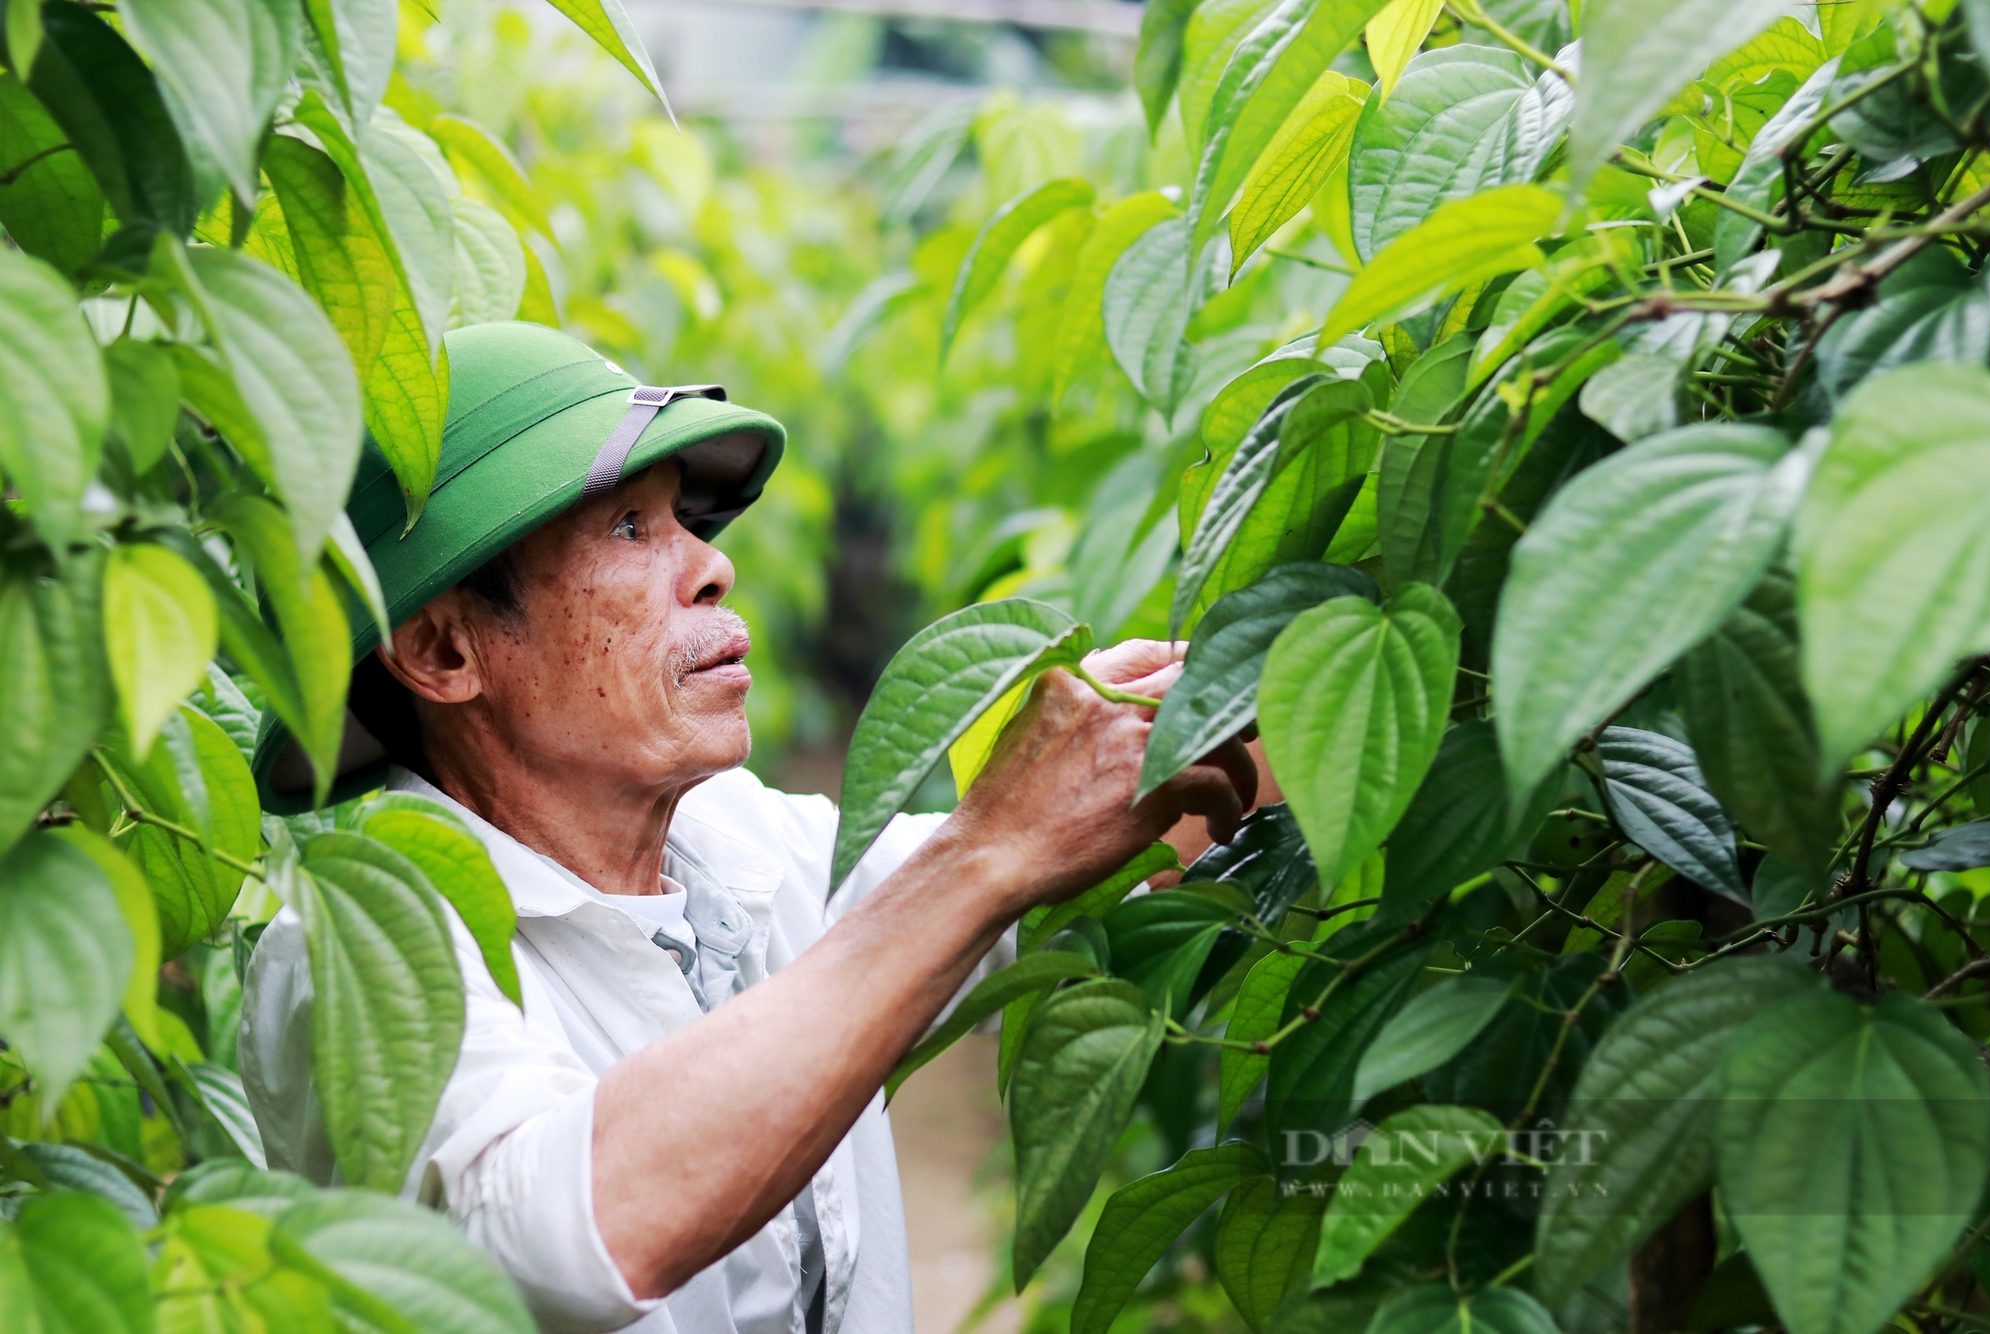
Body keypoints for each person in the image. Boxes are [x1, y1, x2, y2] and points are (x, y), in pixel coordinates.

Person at [240, 322, 1257, 1334]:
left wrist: (1275, 702)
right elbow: (563, 1235)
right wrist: (985, 847)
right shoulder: (352, 947)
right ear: (444, 646)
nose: (710, 566)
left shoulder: (732, 847)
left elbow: (1063, 856)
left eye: (682, 517)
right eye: (629, 528)